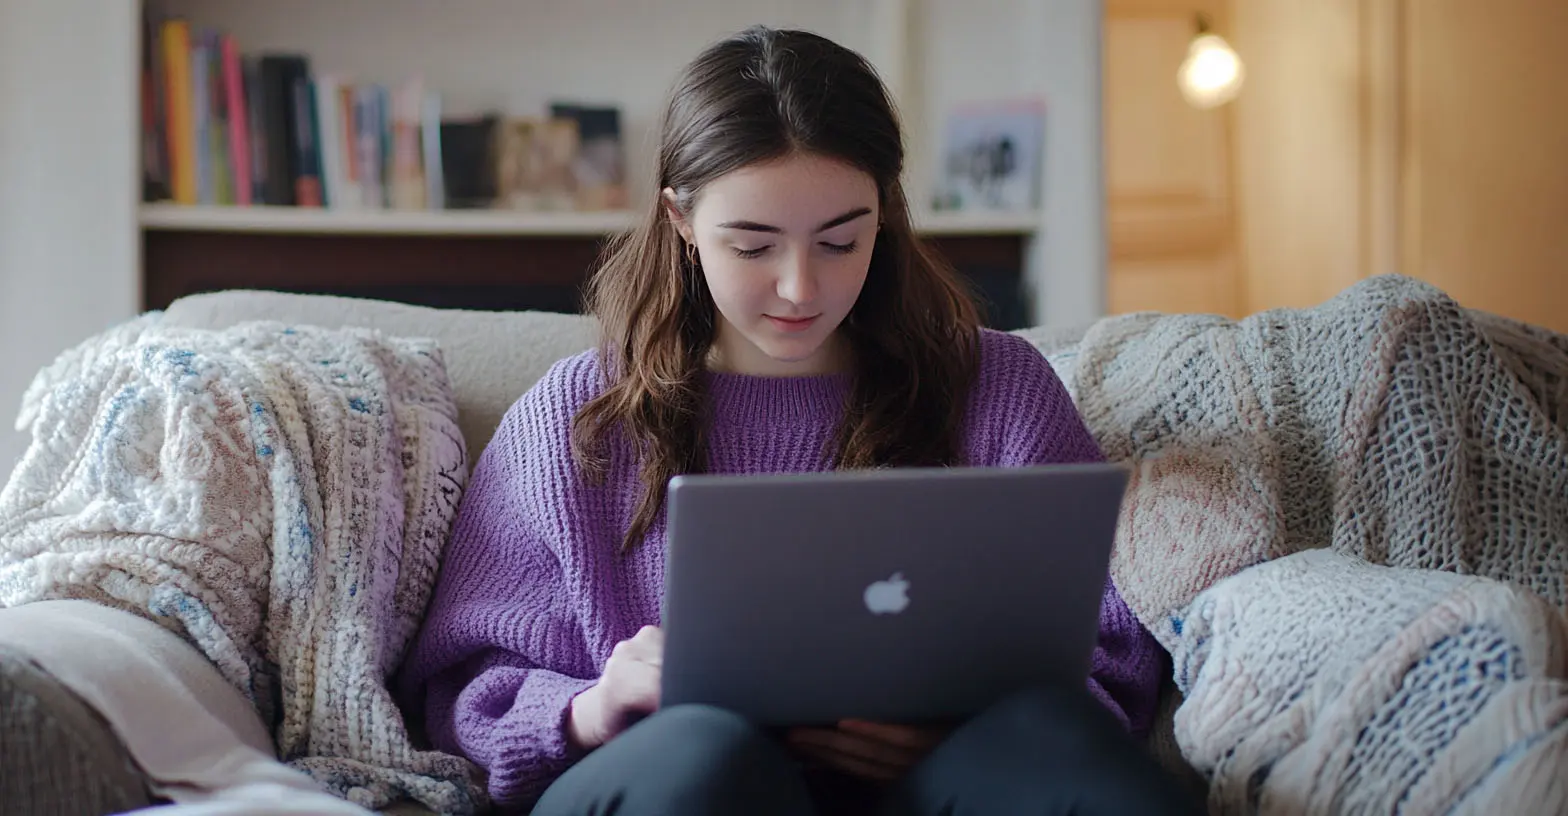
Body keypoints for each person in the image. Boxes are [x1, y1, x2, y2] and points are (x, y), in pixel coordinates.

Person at [396, 25, 1198, 816]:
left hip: (946, 784)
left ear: (882, 216)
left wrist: (962, 728)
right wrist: (592, 709)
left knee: (1055, 747)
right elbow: (464, 692)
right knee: (705, 757)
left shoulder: (996, 389)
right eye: (752, 247)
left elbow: (1108, 649)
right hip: (674, 785)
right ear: (680, 221)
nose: (799, 288)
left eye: (840, 242)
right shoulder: (576, 418)